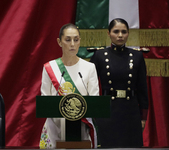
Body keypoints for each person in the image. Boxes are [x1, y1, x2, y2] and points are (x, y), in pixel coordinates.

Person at [90, 18, 148, 148]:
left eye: (124, 32)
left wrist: (143, 116)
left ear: (128, 33)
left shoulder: (137, 56)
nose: (120, 35)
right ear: (108, 33)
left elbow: (142, 88)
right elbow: (90, 85)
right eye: (116, 31)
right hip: (107, 110)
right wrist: (94, 112)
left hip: (131, 110)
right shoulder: (99, 55)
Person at [39, 23, 99, 149]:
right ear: (59, 42)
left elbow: (95, 102)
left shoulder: (90, 68)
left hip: (81, 130)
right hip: (55, 129)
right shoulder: (50, 68)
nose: (72, 44)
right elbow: (45, 102)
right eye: (68, 40)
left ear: (80, 41)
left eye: (76, 40)